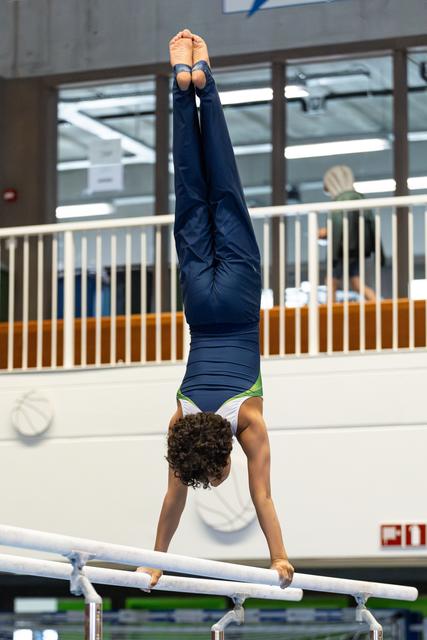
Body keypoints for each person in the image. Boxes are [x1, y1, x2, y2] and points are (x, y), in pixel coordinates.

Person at [137, 29, 294, 590]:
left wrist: (279, 557)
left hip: (241, 298)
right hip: (199, 304)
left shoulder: (247, 422)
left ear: (225, 453)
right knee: (191, 190)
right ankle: (183, 83)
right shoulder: (180, 418)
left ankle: (206, 82)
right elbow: (172, 499)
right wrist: (153, 558)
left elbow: (263, 497)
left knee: (225, 187)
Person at [319, 165, 379, 302]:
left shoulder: (342, 200)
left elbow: (341, 226)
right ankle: (379, 306)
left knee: (331, 281)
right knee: (356, 283)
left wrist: (326, 232)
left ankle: (331, 315)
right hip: (358, 247)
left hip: (342, 249)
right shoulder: (357, 198)